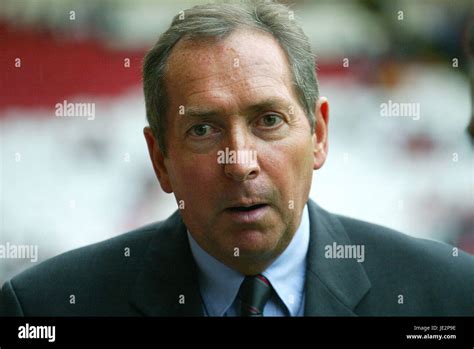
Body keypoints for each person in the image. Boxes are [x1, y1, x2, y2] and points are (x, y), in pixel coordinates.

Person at [1, 0, 473, 317]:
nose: (239, 160)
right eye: (202, 129)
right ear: (160, 159)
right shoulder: (46, 309)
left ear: (319, 135)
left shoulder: (448, 296)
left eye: (268, 120)